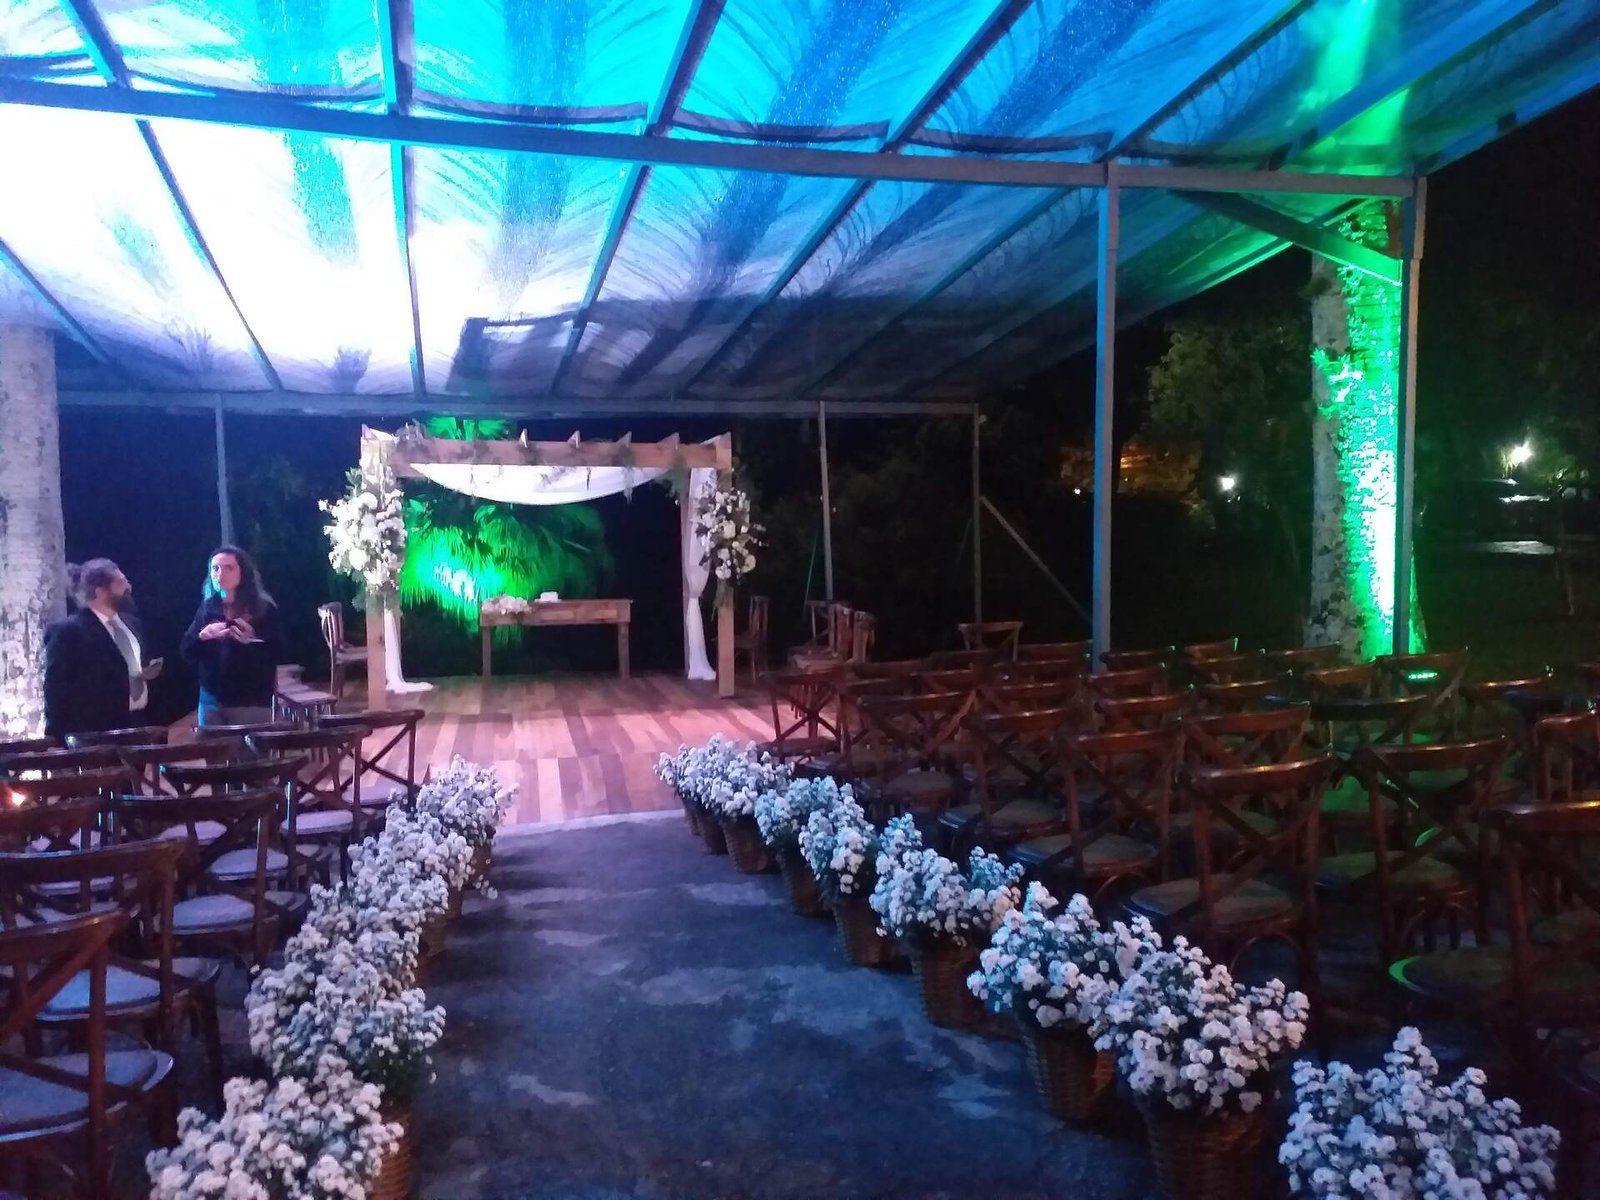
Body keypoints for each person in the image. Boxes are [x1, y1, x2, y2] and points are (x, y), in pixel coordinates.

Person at [43, 558, 163, 738]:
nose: (128, 587)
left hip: (137, 725)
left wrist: (145, 672)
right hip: (95, 734)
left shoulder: (132, 624)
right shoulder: (68, 631)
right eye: (120, 583)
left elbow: (126, 666)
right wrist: (55, 738)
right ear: (100, 592)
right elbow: (55, 687)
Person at [180, 546, 282, 728]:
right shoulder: (207, 607)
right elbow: (187, 651)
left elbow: (279, 653)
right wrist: (202, 637)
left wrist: (252, 641)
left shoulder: (262, 609)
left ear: (243, 573)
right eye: (215, 568)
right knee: (213, 746)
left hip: (250, 700)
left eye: (229, 568)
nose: (220, 574)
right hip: (211, 699)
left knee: (249, 747)